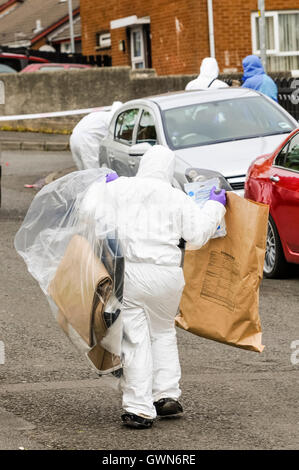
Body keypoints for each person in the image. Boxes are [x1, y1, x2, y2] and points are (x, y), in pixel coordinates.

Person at [91, 145, 226, 429]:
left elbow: (92, 216)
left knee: (136, 338)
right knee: (163, 331)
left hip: (133, 273)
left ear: (143, 166)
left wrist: (104, 189)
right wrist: (215, 205)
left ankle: (139, 408)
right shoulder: (176, 197)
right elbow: (198, 236)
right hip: (167, 275)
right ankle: (166, 393)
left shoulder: (120, 189)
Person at [70, 101, 122, 170]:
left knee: (82, 170)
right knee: (93, 170)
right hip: (87, 140)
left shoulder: (100, 115)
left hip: (74, 137)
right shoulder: (111, 118)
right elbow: (116, 137)